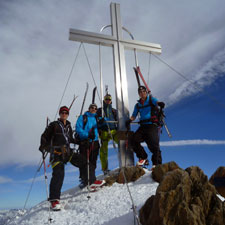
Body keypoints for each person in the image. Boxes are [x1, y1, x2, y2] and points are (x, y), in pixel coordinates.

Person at [39, 106, 84, 211]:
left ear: (68, 114)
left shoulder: (68, 126)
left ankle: (89, 181)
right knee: (59, 174)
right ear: (60, 114)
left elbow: (70, 139)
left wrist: (80, 142)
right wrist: (44, 147)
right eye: (62, 112)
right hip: (56, 153)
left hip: (67, 152)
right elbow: (44, 137)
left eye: (66, 112)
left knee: (83, 161)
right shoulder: (53, 125)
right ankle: (54, 200)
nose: (64, 114)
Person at [126, 86, 164, 169]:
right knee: (133, 140)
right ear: (138, 94)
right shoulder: (138, 105)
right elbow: (134, 115)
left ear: (146, 92)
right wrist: (129, 120)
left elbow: (156, 102)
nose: (142, 93)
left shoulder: (151, 100)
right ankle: (143, 158)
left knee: (154, 145)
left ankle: (156, 164)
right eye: (140, 92)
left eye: (143, 91)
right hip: (143, 126)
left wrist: (160, 104)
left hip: (151, 125)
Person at [75, 103, 105, 190]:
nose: (94, 109)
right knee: (84, 161)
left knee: (93, 161)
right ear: (89, 108)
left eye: (95, 108)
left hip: (95, 142)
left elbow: (103, 122)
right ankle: (84, 180)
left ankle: (92, 179)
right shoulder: (83, 117)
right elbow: (78, 128)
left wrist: (103, 121)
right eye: (92, 107)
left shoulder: (96, 117)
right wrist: (87, 135)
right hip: (85, 142)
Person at [96, 94, 118, 175]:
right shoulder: (100, 110)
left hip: (113, 130)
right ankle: (105, 168)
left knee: (122, 142)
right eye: (106, 99)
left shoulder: (113, 111)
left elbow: (117, 119)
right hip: (104, 131)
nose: (108, 100)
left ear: (111, 100)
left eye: (109, 99)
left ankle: (125, 161)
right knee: (103, 150)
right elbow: (96, 119)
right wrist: (100, 121)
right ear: (104, 100)